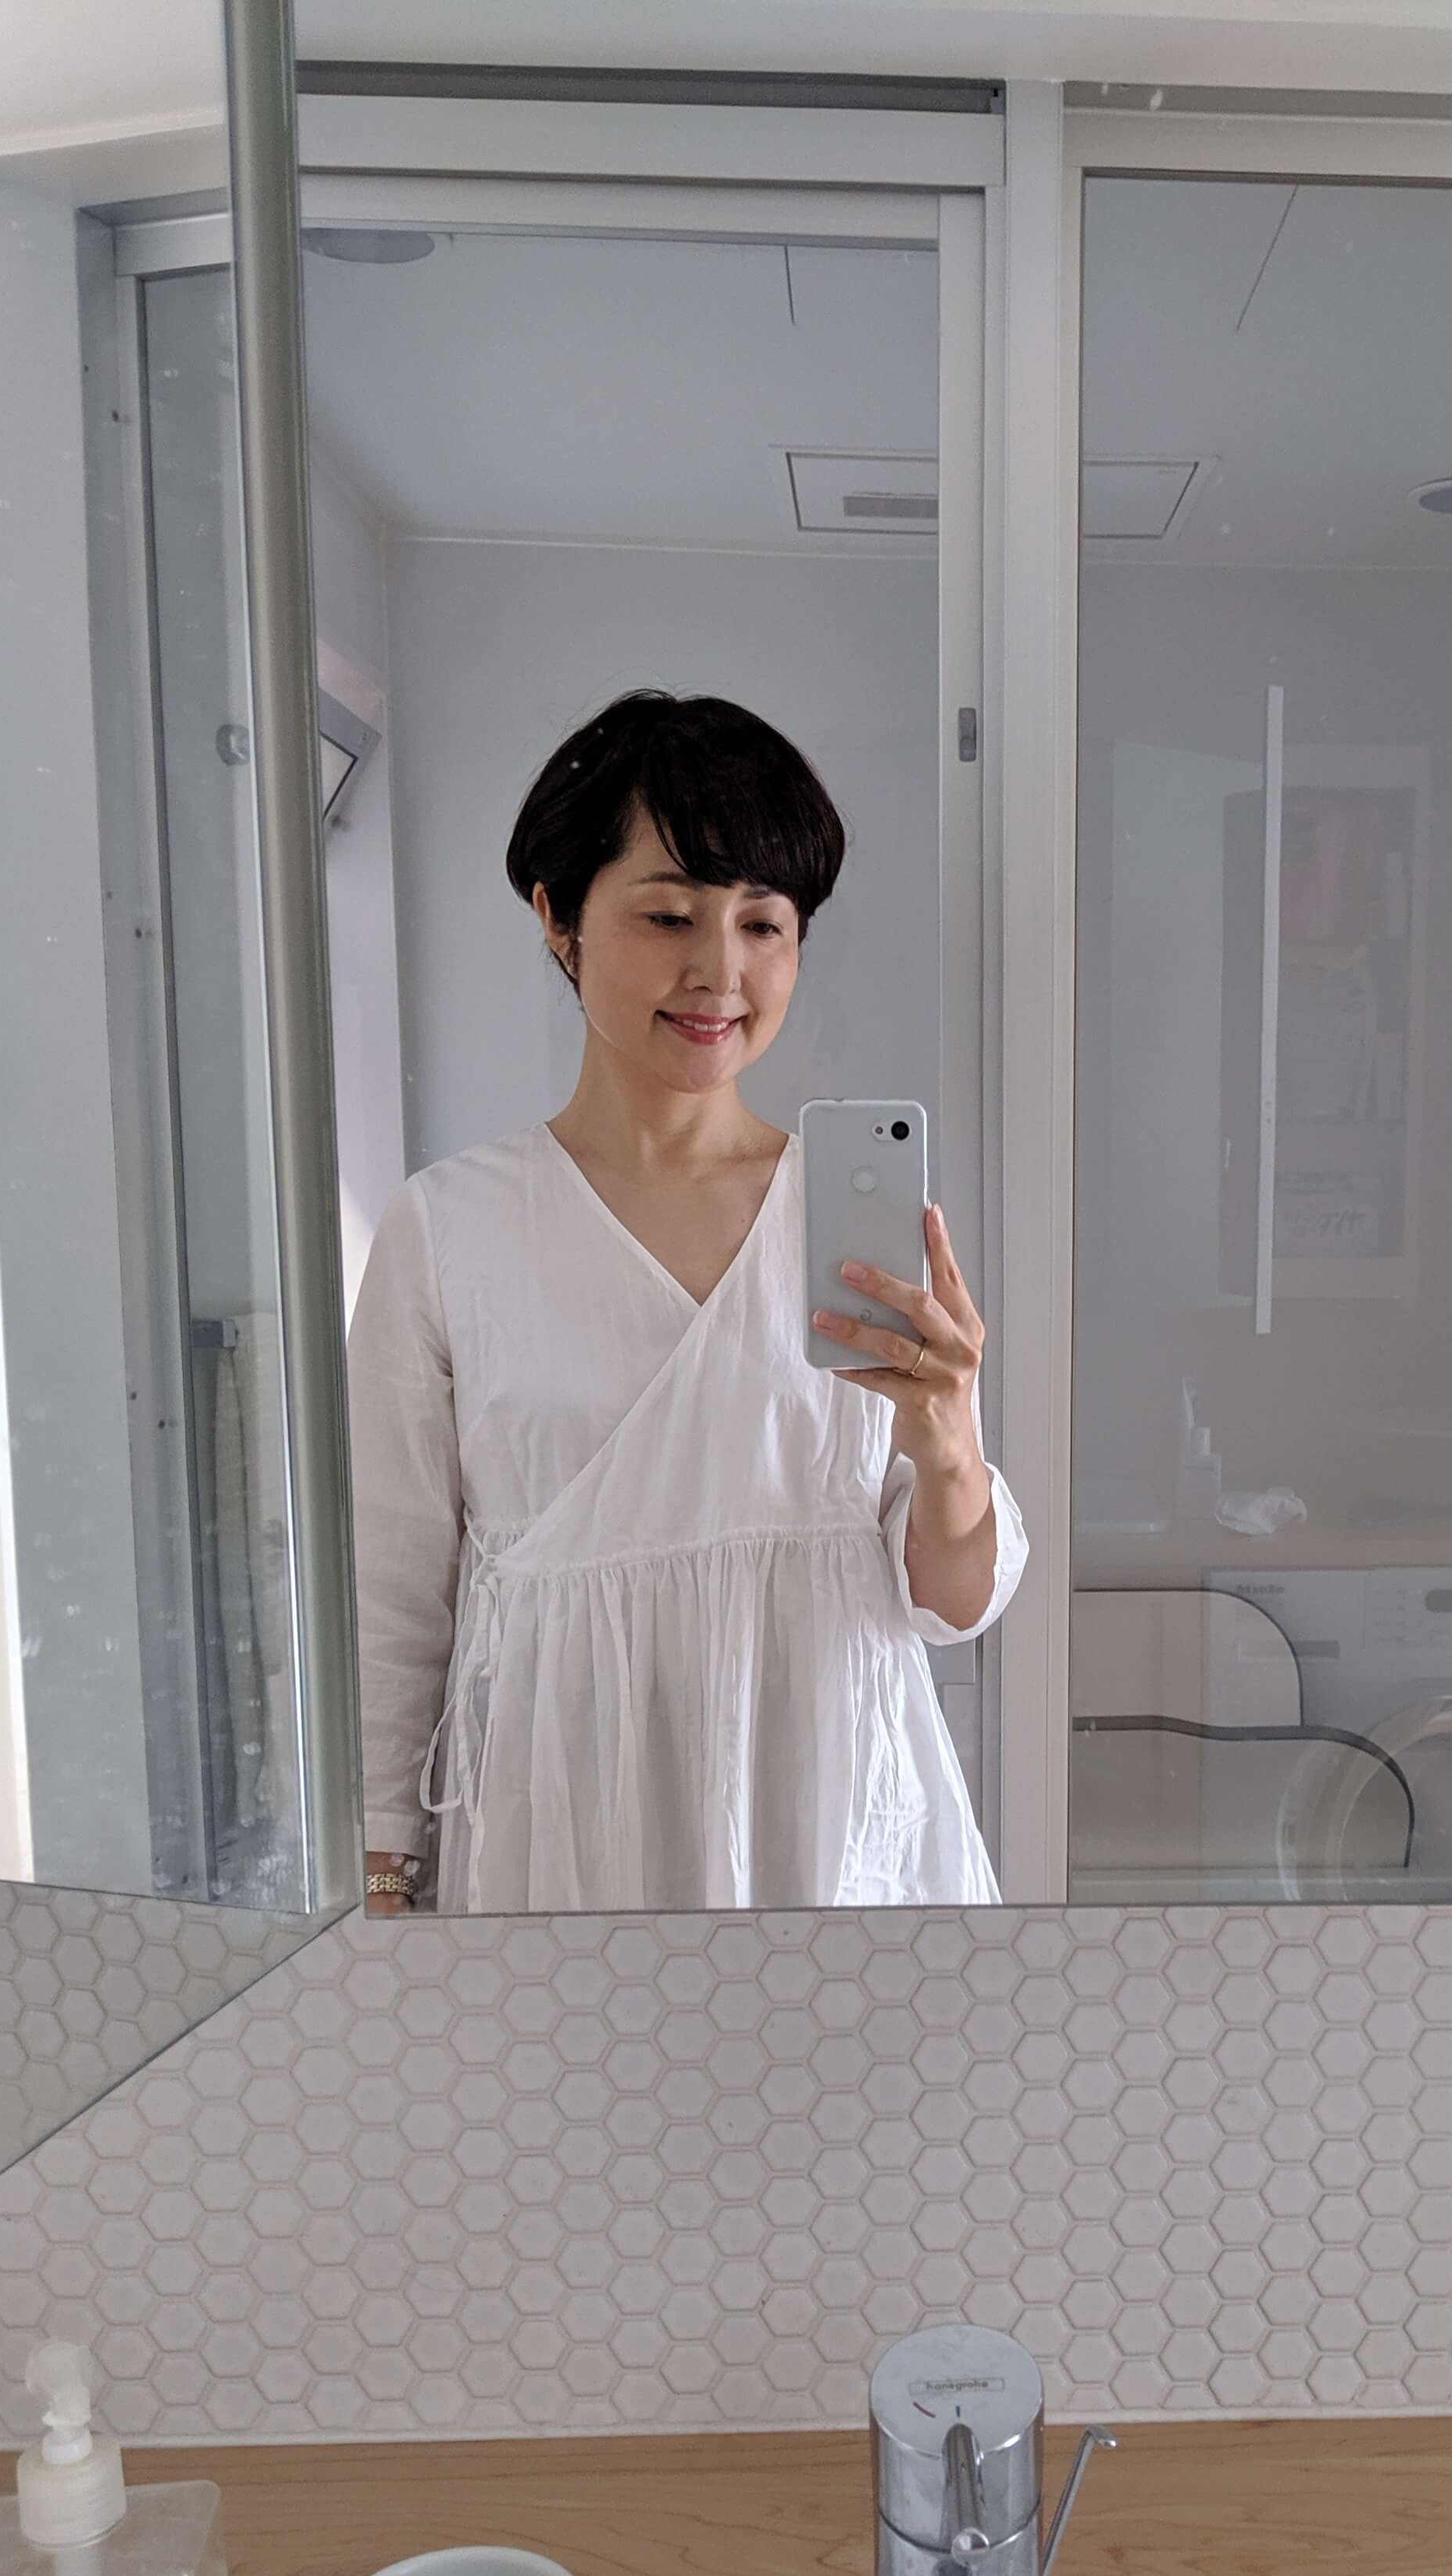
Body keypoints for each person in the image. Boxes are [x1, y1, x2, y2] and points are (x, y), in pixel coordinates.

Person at [349, 689, 1025, 1913]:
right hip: (567, 1823)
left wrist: (951, 1443)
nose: (721, 971)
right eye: (668, 916)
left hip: (831, 1825)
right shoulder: (449, 1231)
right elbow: (391, 1597)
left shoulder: (854, 1226)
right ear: (558, 917)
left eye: (765, 923)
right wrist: (384, 1878)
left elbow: (954, 1605)